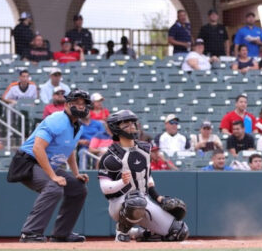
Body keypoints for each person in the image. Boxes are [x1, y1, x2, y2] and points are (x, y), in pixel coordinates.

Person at [11, 89, 90, 243]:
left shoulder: (78, 126)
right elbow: (37, 148)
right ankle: (30, 233)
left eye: (83, 104)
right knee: (54, 187)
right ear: (67, 104)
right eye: (76, 103)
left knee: (78, 188)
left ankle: (61, 234)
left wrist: (76, 174)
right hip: (27, 162)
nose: (80, 106)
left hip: (45, 164)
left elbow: (69, 150)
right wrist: (53, 176)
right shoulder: (56, 120)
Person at [97, 110, 189, 242]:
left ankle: (140, 234)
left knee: (179, 232)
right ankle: (122, 231)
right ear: (116, 129)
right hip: (120, 203)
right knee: (136, 200)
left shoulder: (144, 149)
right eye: (126, 124)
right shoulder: (110, 156)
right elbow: (105, 187)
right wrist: (122, 182)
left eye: (133, 123)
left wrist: (158, 198)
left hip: (144, 200)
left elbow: (146, 178)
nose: (132, 127)